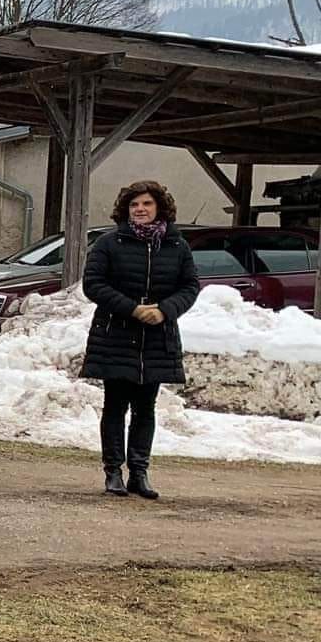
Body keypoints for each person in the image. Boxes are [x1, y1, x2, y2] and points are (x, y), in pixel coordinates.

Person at [80, 180, 199, 500]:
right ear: (126, 210)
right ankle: (113, 472)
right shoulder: (109, 242)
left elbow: (190, 287)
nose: (141, 210)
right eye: (135, 205)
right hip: (116, 335)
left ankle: (139, 473)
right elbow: (92, 284)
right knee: (115, 405)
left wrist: (164, 311)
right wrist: (132, 309)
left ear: (159, 207)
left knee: (146, 408)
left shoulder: (176, 246)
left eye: (146, 204)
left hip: (158, 338)